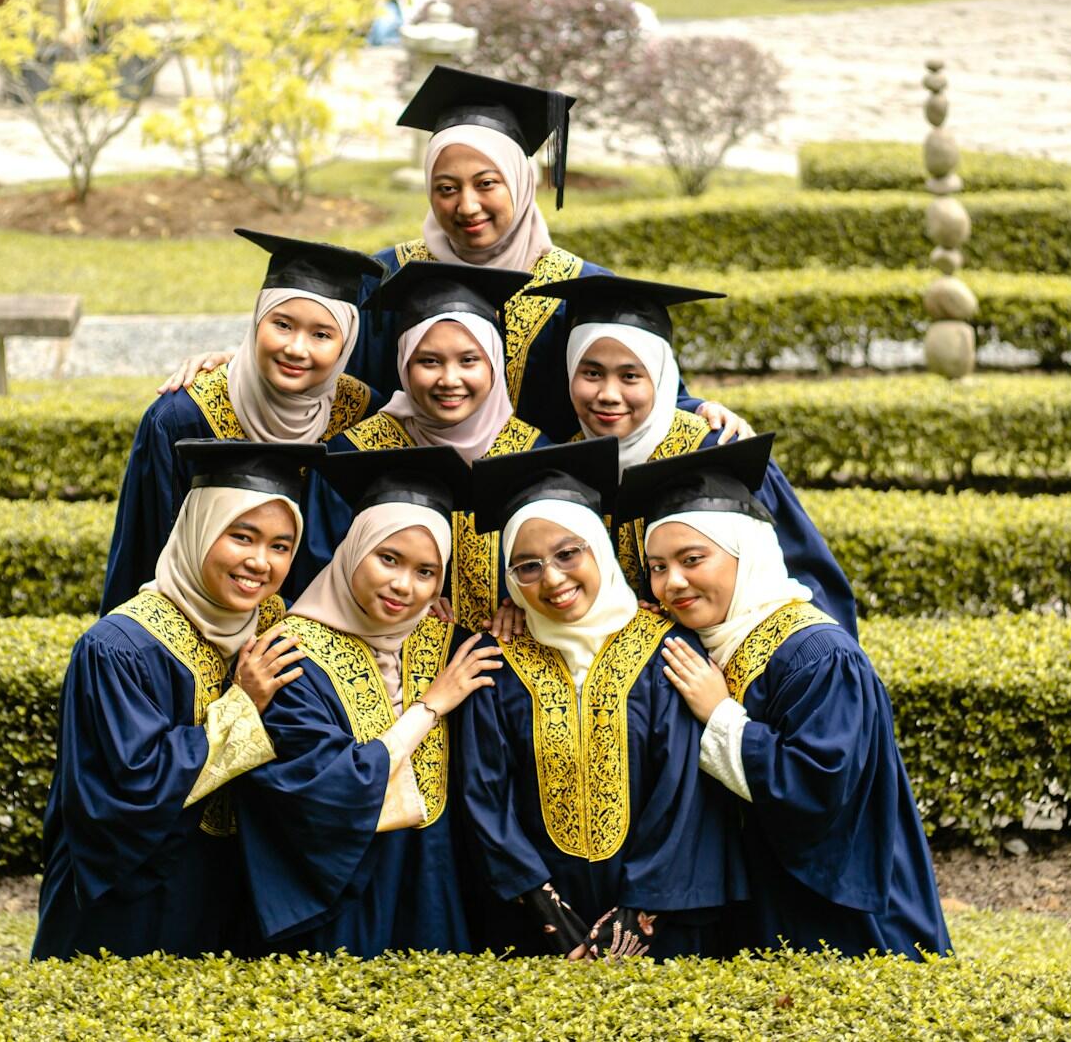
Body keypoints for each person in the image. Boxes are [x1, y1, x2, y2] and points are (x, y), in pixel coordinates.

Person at [156, 66, 755, 446]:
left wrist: (701, 409)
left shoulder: (579, 288)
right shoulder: (384, 276)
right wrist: (241, 361)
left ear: (522, 182)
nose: (466, 206)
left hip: (538, 524)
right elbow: (319, 363)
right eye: (446, 188)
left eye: (487, 183)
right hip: (399, 517)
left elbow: (635, 383)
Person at [621, 438, 951, 961]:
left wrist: (721, 716)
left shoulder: (817, 654)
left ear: (746, 554)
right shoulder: (702, 642)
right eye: (657, 567)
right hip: (755, 906)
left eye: (693, 559)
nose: (672, 582)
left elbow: (820, 786)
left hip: (835, 913)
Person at [34, 440, 324, 961]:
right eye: (241, 536)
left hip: (235, 899)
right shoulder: (118, 647)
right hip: (136, 905)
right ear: (199, 530)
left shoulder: (278, 628)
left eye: (281, 546)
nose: (260, 562)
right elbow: (127, 788)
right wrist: (242, 704)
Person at [456, 438, 744, 959]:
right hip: (532, 928)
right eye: (527, 566)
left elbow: (682, 791)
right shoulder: (495, 661)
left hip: (658, 925)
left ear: (600, 549)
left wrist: (641, 911)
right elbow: (484, 794)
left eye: (568, 553)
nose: (552, 578)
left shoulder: (666, 649)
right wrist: (543, 908)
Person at [234, 446, 504, 956]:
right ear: (354, 549)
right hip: (343, 898)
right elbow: (320, 788)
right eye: (388, 558)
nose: (404, 586)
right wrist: (429, 708)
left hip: (438, 892)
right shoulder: (290, 654)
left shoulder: (452, 645)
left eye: (426, 572)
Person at [527, 273, 858, 636]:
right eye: (591, 373)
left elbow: (803, 570)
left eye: (631, 376)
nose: (608, 394)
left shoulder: (715, 447)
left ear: (662, 377)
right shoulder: (566, 466)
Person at [100, 232, 381, 612]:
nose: (296, 348)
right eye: (282, 324)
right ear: (256, 322)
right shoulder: (181, 418)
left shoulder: (362, 416)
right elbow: (142, 553)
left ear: (345, 344)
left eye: (321, 335)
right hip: (198, 629)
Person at [306, 260, 551, 634]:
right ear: (404, 364)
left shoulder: (534, 456)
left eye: (469, 360)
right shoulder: (354, 454)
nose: (449, 380)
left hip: (506, 655)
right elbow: (319, 576)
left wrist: (527, 606)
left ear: (494, 362)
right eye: (429, 361)